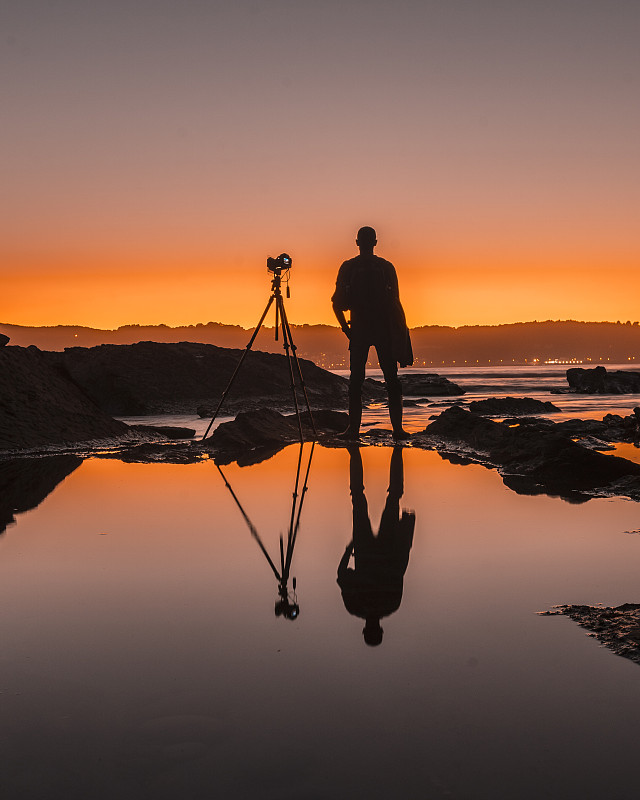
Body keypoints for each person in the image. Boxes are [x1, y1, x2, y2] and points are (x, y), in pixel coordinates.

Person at [332, 226, 413, 440]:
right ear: (375, 242)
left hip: (358, 329)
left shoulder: (348, 267)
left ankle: (353, 430)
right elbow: (396, 303)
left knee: (356, 381)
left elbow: (336, 304)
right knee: (392, 381)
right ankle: (398, 430)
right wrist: (400, 333)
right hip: (384, 329)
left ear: (357, 242)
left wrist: (346, 329)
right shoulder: (386, 267)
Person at [337, 445, 415, 646]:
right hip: (367, 548)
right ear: (368, 630)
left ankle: (393, 451)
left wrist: (405, 535)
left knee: (391, 496)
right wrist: (349, 548)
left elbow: (400, 567)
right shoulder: (357, 607)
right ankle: (359, 451)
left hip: (380, 548)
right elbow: (342, 574)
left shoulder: (391, 605)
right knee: (359, 497)